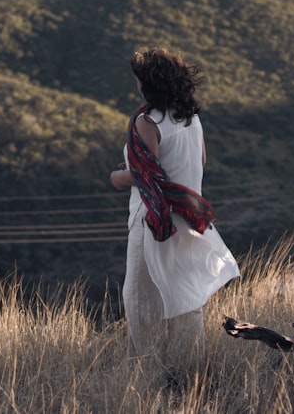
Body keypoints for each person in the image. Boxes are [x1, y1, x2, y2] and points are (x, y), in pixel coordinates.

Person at [109, 47, 239, 370]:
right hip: (189, 218)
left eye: (138, 79)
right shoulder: (190, 117)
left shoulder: (147, 122)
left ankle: (146, 371)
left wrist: (118, 178)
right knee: (185, 296)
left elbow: (148, 176)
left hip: (153, 220)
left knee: (139, 299)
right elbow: (201, 160)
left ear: (147, 84)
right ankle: (194, 370)